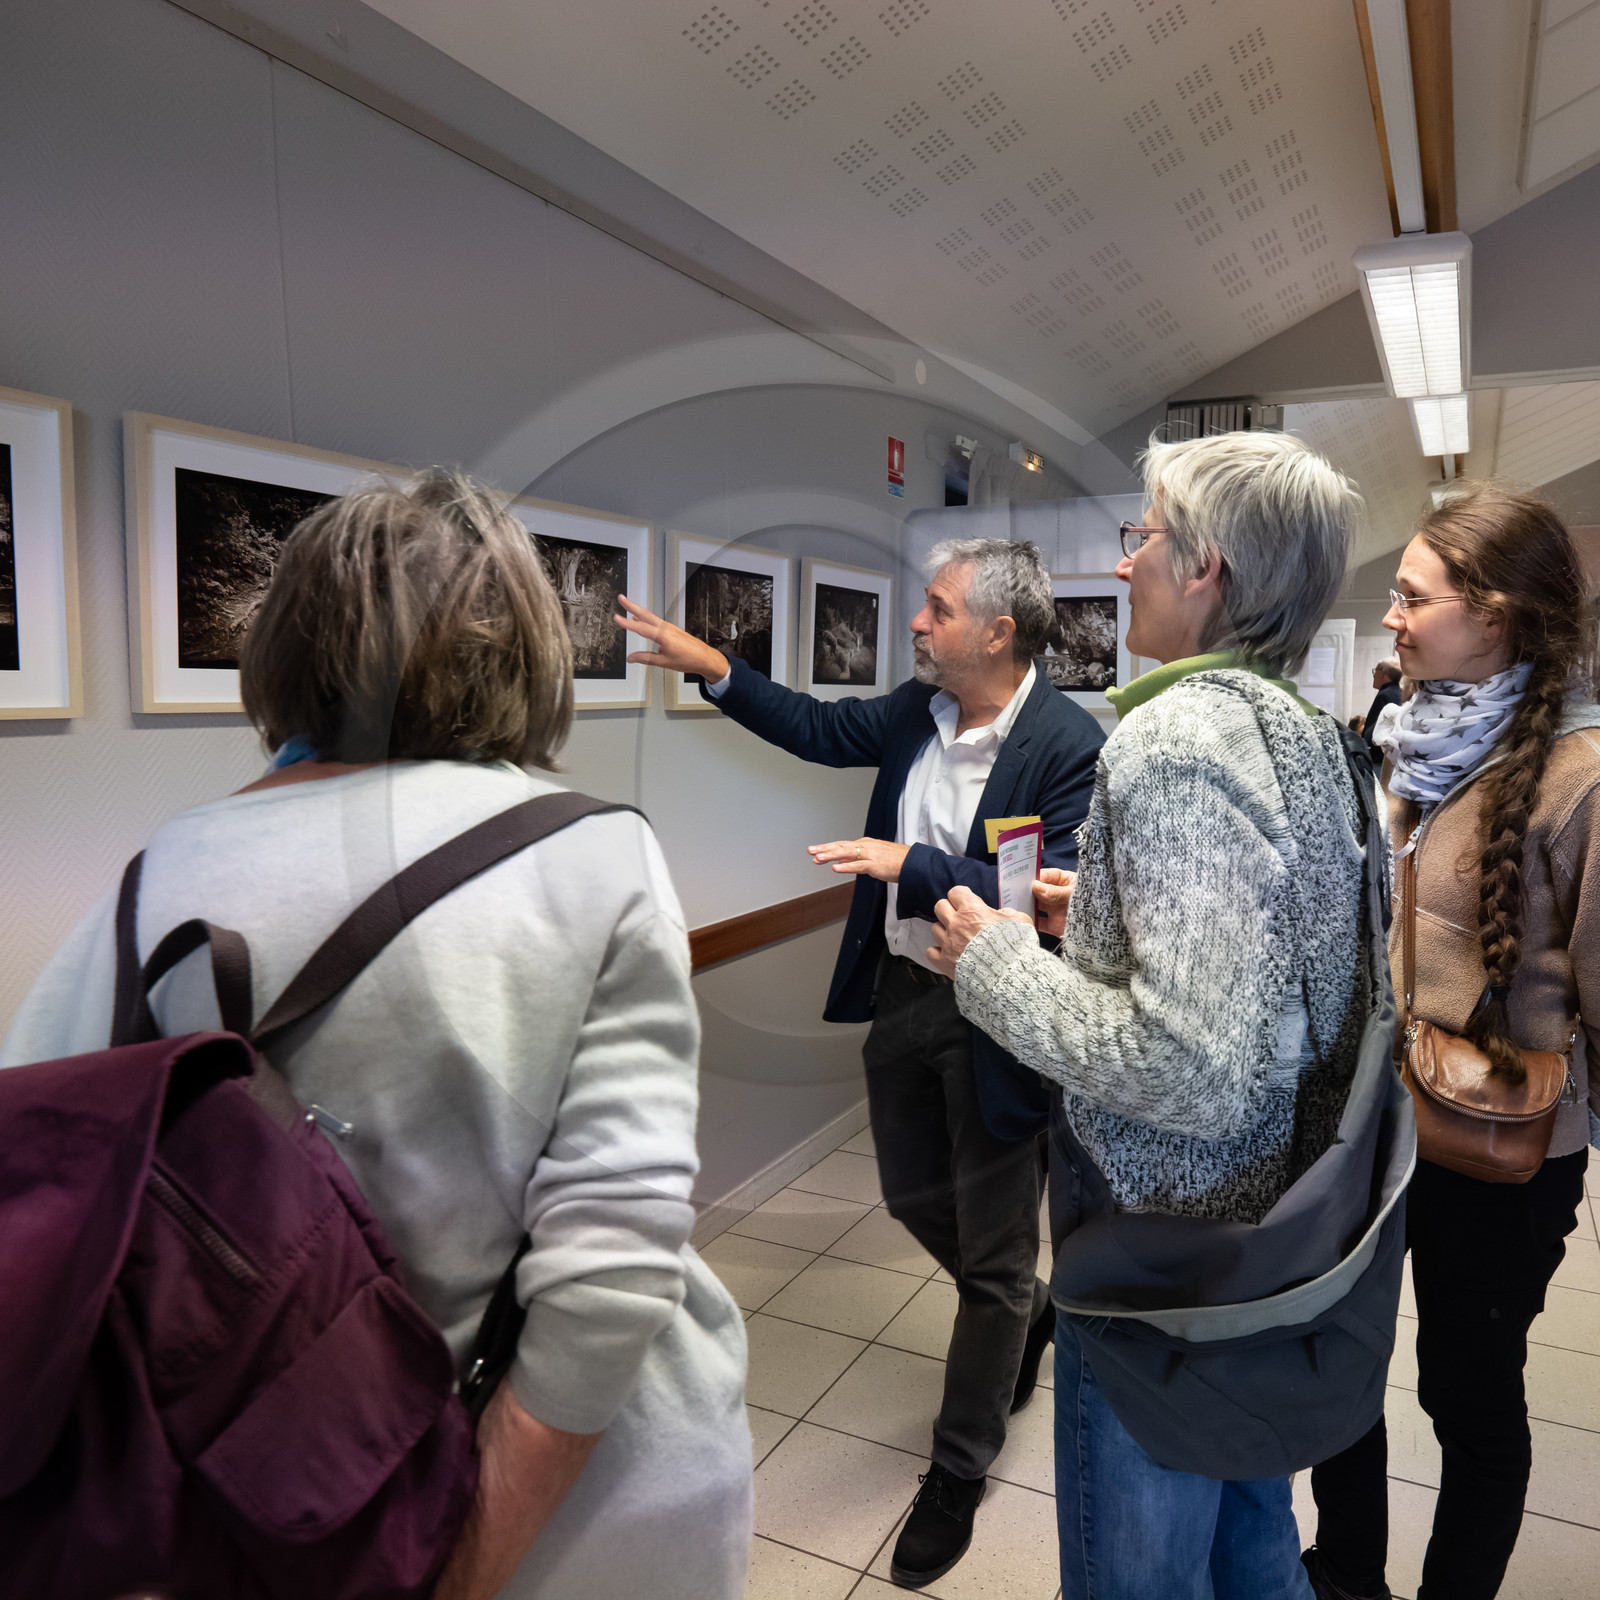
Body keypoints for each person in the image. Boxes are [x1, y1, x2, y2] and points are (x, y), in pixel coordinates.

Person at [1, 469, 753, 1600]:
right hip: (565, 1518)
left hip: (259, 1504)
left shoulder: (159, 875)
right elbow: (609, 1268)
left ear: (289, 642)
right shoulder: (593, 856)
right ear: (526, 649)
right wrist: (457, 1566)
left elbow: (47, 1210)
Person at [923, 430, 1370, 1600]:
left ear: (1206, 567)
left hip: (1164, 1266)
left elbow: (1188, 1066)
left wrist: (998, 960)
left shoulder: (1175, 740)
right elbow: (1269, 973)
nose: (1123, 568)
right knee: (1254, 1547)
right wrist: (1113, 910)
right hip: (1271, 1237)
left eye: (1143, 539)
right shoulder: (1303, 735)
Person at [617, 539, 1103, 1587]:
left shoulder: (1065, 740)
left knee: (989, 1257)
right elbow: (814, 725)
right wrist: (713, 665)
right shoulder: (915, 711)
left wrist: (912, 864)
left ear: (996, 632)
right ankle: (1022, 1305)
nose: (917, 624)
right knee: (910, 1197)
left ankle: (959, 1464)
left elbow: (1045, 892)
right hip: (903, 998)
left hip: (996, 1009)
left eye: (935, 608)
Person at [1305, 482, 1600, 1600]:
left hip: (1503, 1156)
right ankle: (1345, 1577)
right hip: (1374, 1128)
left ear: (1496, 615)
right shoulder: (1401, 739)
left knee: (1468, 1398)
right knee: (1341, 1369)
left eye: (1410, 598)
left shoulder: (1577, 779)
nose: (1390, 616)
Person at [1363, 657, 1403, 762]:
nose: (1374, 675)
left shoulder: (1384, 695)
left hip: (1379, 759)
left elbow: (1373, 733)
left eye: (1375, 670)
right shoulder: (1402, 693)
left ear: (1383, 672)